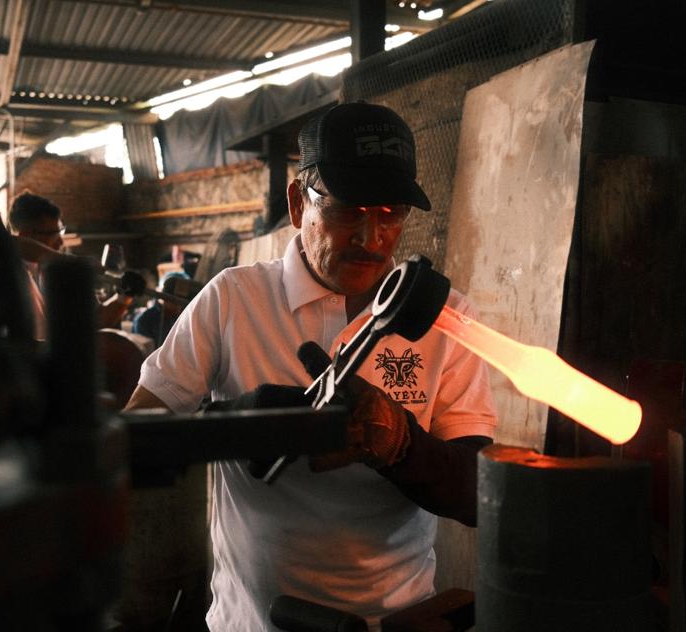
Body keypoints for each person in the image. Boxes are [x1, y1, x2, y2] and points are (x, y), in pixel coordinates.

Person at [124, 102, 498, 630]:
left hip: (392, 620)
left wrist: (401, 446)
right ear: (300, 203)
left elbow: (480, 497)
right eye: (348, 210)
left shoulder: (447, 318)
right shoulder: (232, 300)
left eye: (390, 213)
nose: (371, 239)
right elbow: (133, 438)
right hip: (251, 622)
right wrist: (229, 427)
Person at [8, 192, 131, 339]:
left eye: (61, 232)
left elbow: (96, 320)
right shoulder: (7, 269)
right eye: (53, 234)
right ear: (26, 235)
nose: (60, 242)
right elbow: (14, 244)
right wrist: (75, 263)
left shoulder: (64, 274)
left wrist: (124, 296)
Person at [131, 271, 190, 345]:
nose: (178, 306)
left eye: (181, 299)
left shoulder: (186, 319)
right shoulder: (145, 320)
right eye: (174, 300)